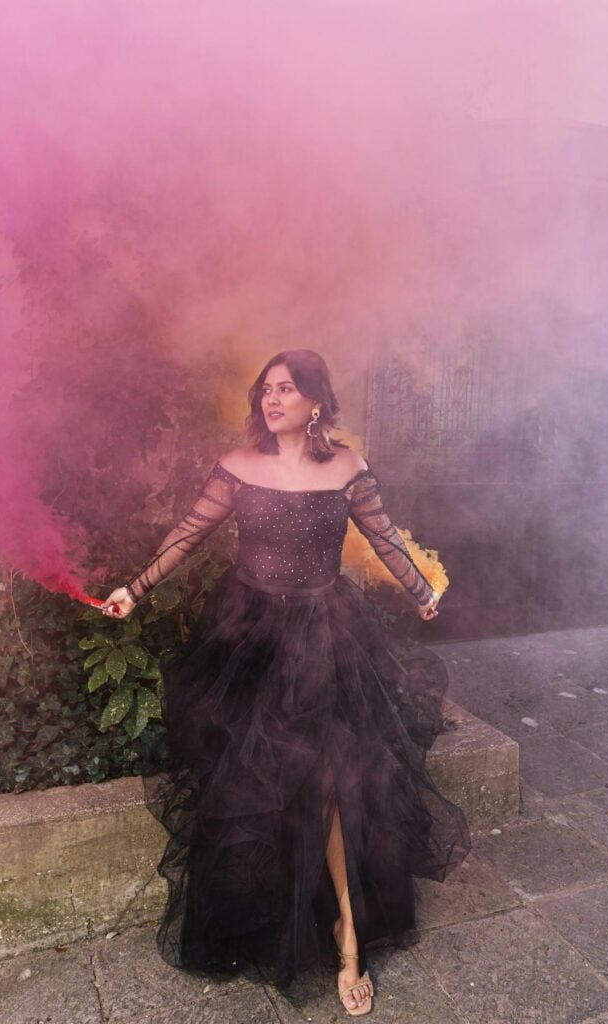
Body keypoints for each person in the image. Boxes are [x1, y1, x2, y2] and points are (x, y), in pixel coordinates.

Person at [102, 349, 471, 1017]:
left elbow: (383, 538)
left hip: (326, 635)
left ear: (316, 403)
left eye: (287, 389)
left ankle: (348, 938)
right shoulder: (239, 468)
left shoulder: (347, 469)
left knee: (331, 773)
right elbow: (187, 534)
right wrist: (134, 588)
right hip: (249, 636)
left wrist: (420, 589)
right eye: (266, 389)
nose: (273, 400)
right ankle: (269, 914)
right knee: (256, 782)